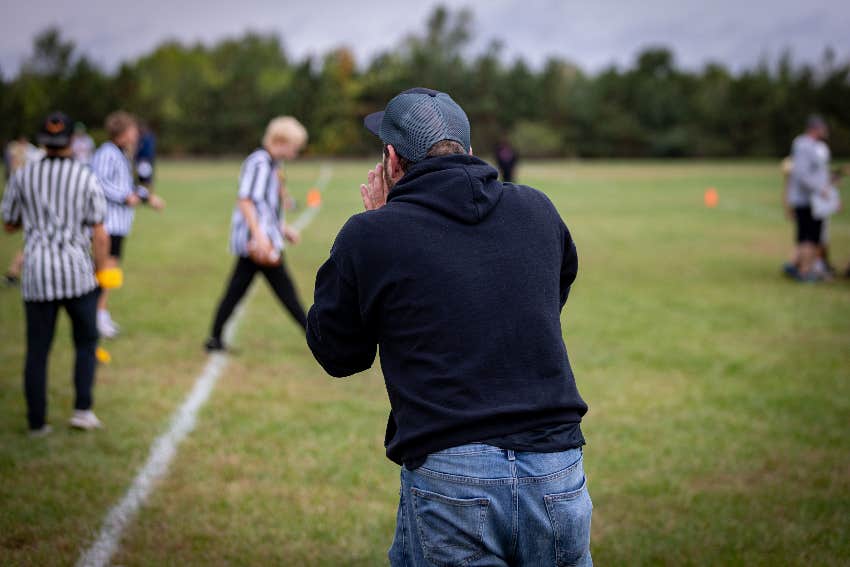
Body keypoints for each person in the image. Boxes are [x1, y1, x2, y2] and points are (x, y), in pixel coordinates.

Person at [307, 88, 592, 566]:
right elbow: (548, 297)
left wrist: (376, 229)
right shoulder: (538, 209)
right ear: (469, 151)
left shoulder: (371, 232)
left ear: (392, 160)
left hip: (452, 475)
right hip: (558, 470)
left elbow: (338, 354)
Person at [1, 111, 111, 434]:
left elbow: (8, 224)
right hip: (77, 272)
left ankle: (37, 422)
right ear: (70, 142)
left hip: (36, 272)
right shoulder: (85, 176)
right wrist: (100, 270)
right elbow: (100, 232)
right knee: (85, 343)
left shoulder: (23, 176)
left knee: (37, 350)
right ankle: (82, 409)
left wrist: (36, 220)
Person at [204, 117, 309, 352]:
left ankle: (214, 338)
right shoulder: (260, 163)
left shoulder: (273, 165)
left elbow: (266, 206)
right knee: (286, 291)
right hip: (258, 243)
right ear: (281, 141)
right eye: (294, 145)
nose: (296, 151)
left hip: (263, 237)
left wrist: (283, 229)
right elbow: (246, 200)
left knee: (237, 290)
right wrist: (260, 236)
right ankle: (316, 336)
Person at [90, 111, 165, 338]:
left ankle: (100, 314)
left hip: (119, 224)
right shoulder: (107, 153)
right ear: (121, 133)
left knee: (110, 270)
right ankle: (97, 317)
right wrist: (125, 197)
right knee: (104, 270)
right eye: (132, 130)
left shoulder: (123, 154)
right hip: (107, 223)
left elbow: (128, 184)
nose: (136, 134)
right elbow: (99, 183)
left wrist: (146, 197)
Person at [785, 115, 831, 281]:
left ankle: (799, 266)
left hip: (812, 199)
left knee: (810, 236)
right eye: (822, 128)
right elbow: (802, 175)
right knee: (809, 237)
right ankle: (806, 271)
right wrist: (820, 188)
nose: (825, 131)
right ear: (815, 129)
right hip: (808, 200)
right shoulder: (804, 146)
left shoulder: (812, 146)